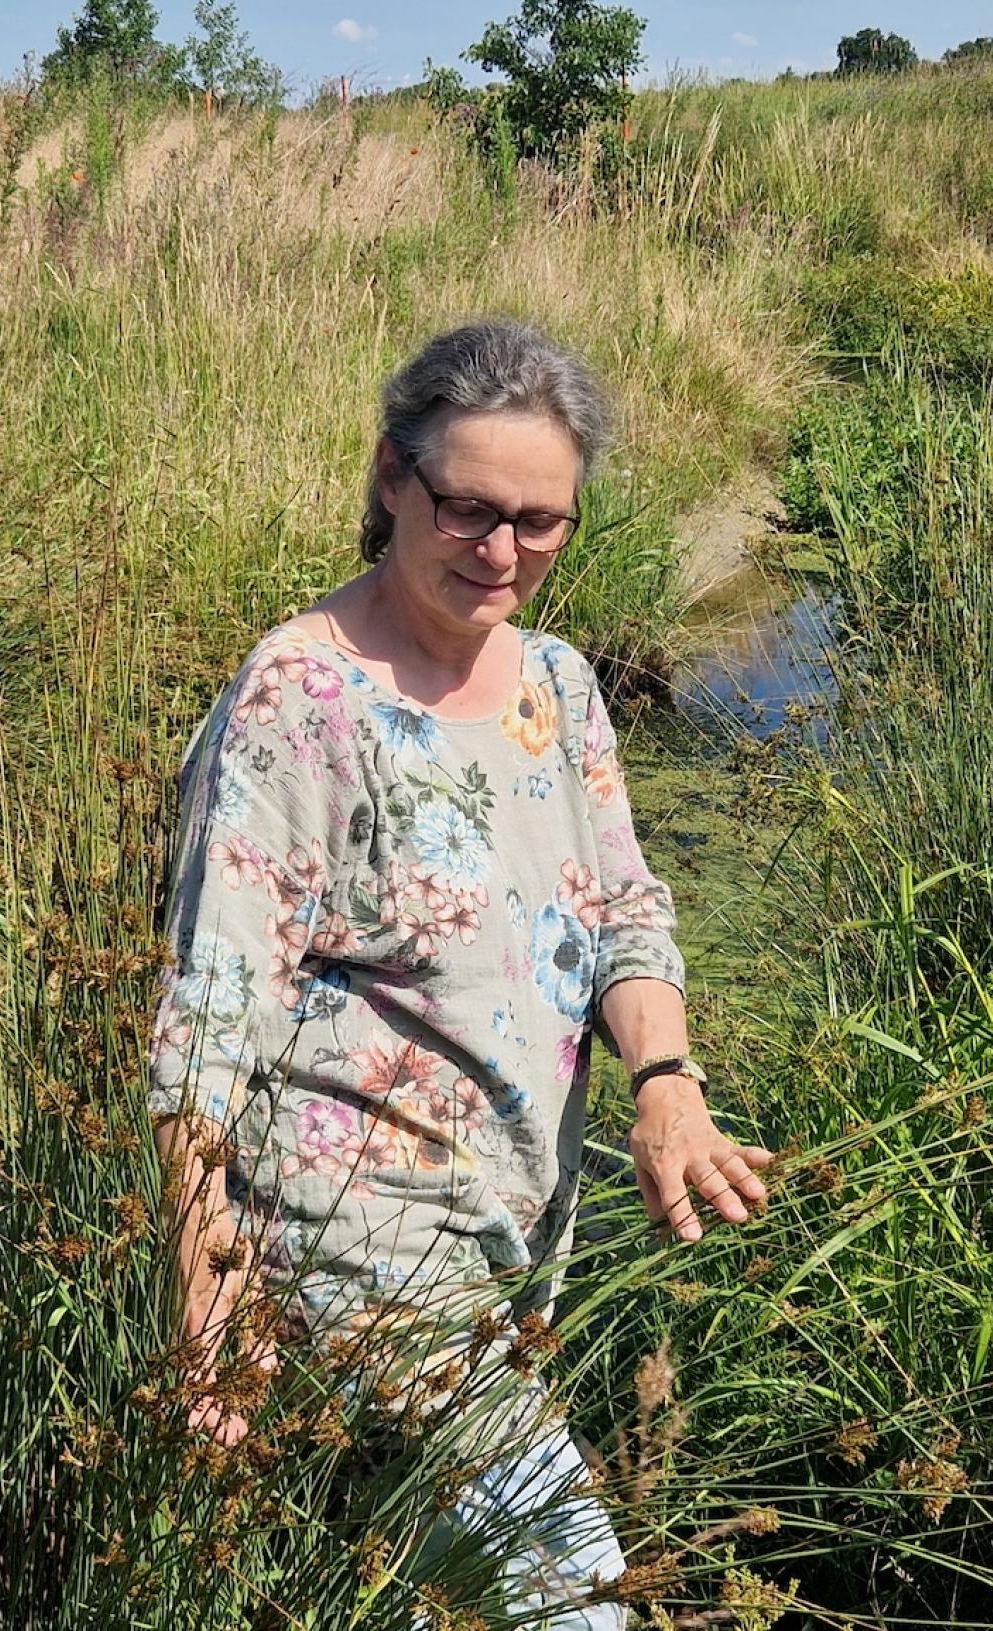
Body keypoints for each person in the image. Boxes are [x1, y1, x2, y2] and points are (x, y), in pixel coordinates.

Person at [144, 319, 774, 1625]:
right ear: (391, 480)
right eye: (469, 509)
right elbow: (211, 1007)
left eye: (542, 522)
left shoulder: (559, 684)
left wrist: (665, 1078)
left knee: (425, 1583)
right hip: (349, 1232)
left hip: (515, 1218)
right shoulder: (299, 702)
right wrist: (202, 1275)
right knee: (573, 1588)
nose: (502, 553)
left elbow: (621, 910)